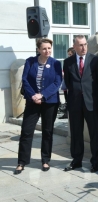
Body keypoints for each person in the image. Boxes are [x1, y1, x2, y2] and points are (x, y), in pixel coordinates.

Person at [14, 38, 62, 174]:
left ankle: (45, 160)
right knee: (26, 131)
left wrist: (43, 95)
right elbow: (25, 80)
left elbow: (57, 82)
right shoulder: (30, 61)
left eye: (49, 48)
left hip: (50, 102)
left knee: (47, 131)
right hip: (32, 101)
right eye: (44, 48)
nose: (47, 51)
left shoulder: (56, 64)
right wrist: (34, 96)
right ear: (38, 50)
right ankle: (22, 162)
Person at [63, 35, 98, 173]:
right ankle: (76, 161)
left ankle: (95, 162)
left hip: (91, 102)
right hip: (74, 102)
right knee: (76, 133)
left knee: (95, 133)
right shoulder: (68, 62)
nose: (83, 47)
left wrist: (90, 94)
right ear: (74, 47)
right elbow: (68, 82)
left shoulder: (95, 60)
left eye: (85, 44)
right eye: (80, 45)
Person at [59, 47, 75, 119]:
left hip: (71, 85)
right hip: (65, 85)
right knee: (66, 100)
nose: (69, 56)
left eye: (70, 54)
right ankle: (66, 113)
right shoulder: (67, 61)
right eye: (68, 54)